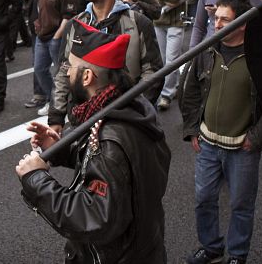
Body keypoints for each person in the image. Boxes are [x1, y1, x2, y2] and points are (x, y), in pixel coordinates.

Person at [17, 22, 171, 263]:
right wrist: (60, 150)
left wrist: (36, 180)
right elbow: (120, 173)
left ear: (87, 76)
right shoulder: (132, 109)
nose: (66, 72)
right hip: (142, 247)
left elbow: (94, 218)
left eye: (70, 66)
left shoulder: (111, 135)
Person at [180, 0, 262, 264]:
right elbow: (190, 93)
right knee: (204, 199)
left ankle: (237, 254)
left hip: (242, 149)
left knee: (241, 205)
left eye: (224, 19)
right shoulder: (207, 51)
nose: (217, 24)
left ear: (243, 23)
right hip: (208, 144)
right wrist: (193, 130)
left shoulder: (260, 57)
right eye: (215, 18)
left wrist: (256, 139)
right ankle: (210, 247)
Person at [48, 0, 163, 134]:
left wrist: (133, 107)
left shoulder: (139, 23)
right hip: (82, 117)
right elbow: (64, 70)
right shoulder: (75, 24)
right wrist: (56, 116)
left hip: (126, 119)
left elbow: (152, 72)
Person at [147, 0, 191, 111]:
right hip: (158, 21)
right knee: (162, 60)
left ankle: (166, 94)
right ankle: (173, 85)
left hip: (176, 22)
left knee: (171, 60)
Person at [32, 0, 77, 117]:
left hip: (55, 38)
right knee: (39, 69)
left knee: (60, 74)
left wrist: (58, 35)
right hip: (42, 36)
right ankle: (52, 100)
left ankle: (62, 104)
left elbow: (69, 15)